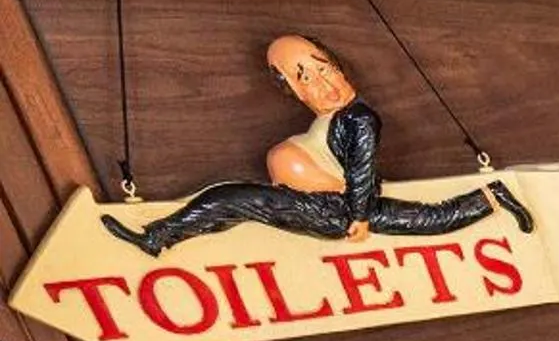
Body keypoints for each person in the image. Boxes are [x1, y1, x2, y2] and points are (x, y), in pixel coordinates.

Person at [101, 36, 533, 257]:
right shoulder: (331, 118)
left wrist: (360, 218)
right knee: (425, 220)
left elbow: (362, 171)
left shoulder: (359, 118)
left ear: (339, 65)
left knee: (230, 199)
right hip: (329, 203)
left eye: (323, 69)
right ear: (293, 90)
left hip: (336, 210)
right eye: (304, 77)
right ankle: (491, 198)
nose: (323, 83)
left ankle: (158, 238)